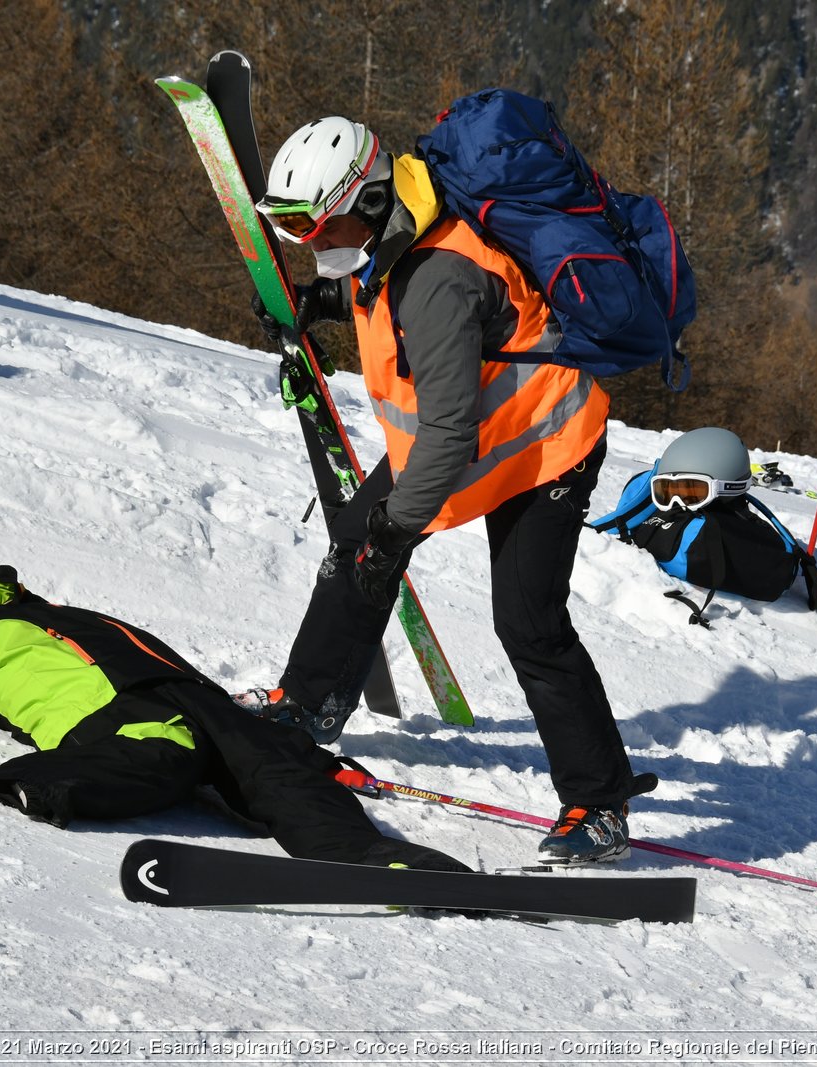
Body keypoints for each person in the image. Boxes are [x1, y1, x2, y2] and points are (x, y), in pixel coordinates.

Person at [242, 116, 643, 866]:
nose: (310, 244)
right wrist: (318, 301)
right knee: (357, 541)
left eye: (316, 228)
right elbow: (387, 303)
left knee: (529, 623)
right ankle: (309, 704)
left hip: (544, 447)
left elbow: (450, 433)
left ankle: (600, 802)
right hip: (477, 435)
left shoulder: (436, 278)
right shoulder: (399, 229)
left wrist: (396, 531)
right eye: (295, 231)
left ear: (365, 203)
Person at [0, 564, 466, 871]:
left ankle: (375, 862)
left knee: (276, 766)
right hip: (105, 711)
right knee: (162, 754)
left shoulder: (51, 612)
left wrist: (311, 758)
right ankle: (41, 781)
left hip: (189, 693)